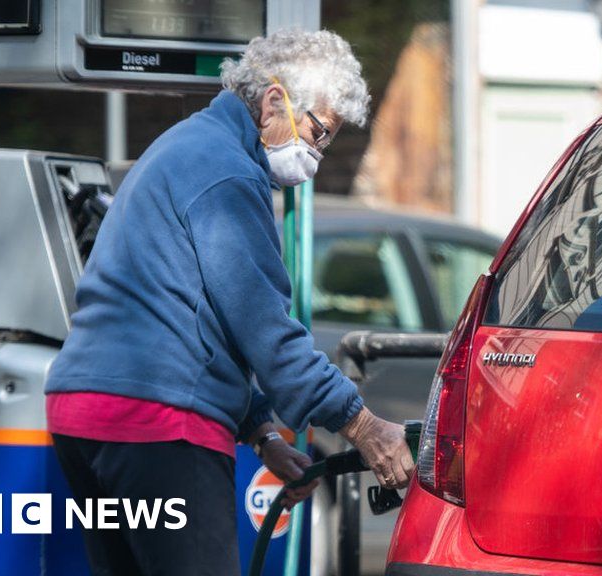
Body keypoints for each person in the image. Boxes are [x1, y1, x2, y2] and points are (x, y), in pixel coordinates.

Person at [44, 29, 415, 576]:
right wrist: (362, 426)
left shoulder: (187, 145)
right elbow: (268, 334)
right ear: (273, 101)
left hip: (86, 415)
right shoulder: (228, 176)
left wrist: (263, 433)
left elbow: (196, 317)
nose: (314, 155)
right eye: (317, 133)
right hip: (156, 423)